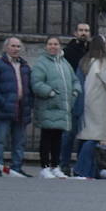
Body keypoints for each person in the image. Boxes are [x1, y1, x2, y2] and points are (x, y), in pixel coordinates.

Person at [31, 36, 83, 178]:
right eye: (50, 44)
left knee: (58, 138)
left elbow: (74, 80)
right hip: (48, 106)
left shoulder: (64, 63)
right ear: (46, 46)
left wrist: (75, 91)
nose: (53, 46)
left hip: (62, 108)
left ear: (60, 46)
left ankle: (55, 165)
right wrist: (50, 92)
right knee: (46, 137)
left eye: (55, 44)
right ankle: (45, 166)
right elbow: (36, 83)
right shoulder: (41, 63)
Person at [0, 37, 33, 176]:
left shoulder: (25, 66)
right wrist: (0, 101)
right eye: (13, 46)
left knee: (19, 142)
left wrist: (30, 103)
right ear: (6, 48)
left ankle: (16, 168)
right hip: (3, 109)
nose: (16, 49)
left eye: (18, 46)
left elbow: (29, 87)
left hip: (21, 108)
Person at [76, 34, 106, 179]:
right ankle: (81, 168)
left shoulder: (88, 61)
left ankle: (89, 170)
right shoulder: (103, 62)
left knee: (87, 134)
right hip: (99, 104)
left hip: (89, 102)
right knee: (94, 137)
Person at [59, 22, 92, 175]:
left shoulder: (92, 51)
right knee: (69, 133)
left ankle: (80, 165)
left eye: (86, 30)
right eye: (81, 30)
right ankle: (64, 164)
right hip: (73, 96)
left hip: (89, 97)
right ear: (75, 33)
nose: (83, 33)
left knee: (84, 133)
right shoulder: (67, 52)